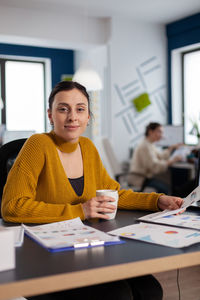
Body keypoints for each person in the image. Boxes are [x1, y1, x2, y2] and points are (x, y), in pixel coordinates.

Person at [1, 82, 183, 300]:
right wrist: (81, 211)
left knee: (150, 290)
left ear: (88, 116)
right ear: (50, 115)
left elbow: (114, 194)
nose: (72, 117)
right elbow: (12, 206)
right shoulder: (38, 144)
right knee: (118, 295)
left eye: (80, 109)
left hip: (85, 246)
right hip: (44, 255)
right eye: (63, 109)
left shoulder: (88, 147)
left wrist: (157, 200)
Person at [129, 122, 183, 194]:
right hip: (140, 179)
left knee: (167, 185)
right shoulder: (145, 146)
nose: (161, 135)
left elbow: (160, 156)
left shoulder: (149, 144)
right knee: (166, 189)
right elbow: (154, 166)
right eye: (159, 132)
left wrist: (171, 148)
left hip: (145, 178)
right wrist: (172, 161)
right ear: (150, 131)